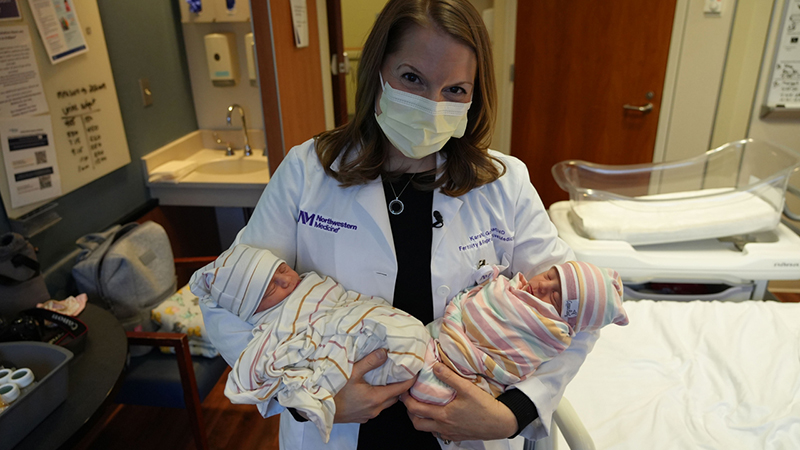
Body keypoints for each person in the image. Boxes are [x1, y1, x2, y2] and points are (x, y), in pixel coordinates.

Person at [197, 0, 600, 448]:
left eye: (455, 90)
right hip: (341, 429)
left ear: (475, 94)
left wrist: (513, 413)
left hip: (466, 431)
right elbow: (223, 298)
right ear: (377, 71)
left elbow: (581, 309)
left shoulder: (504, 184)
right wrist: (307, 397)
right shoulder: (307, 171)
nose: (432, 105)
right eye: (412, 78)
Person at [189, 245, 430, 443]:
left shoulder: (310, 283)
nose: (285, 280)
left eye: (282, 269)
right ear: (254, 308)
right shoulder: (271, 325)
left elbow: (337, 297)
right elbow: (255, 368)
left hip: (358, 315)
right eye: (271, 287)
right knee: (397, 348)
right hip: (350, 363)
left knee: (406, 334)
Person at [410, 261, 629, 408]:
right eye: (549, 275)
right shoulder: (510, 288)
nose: (543, 285)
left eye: (555, 298)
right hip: (437, 337)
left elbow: (513, 362)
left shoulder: (548, 336)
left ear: (566, 320)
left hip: (463, 370)